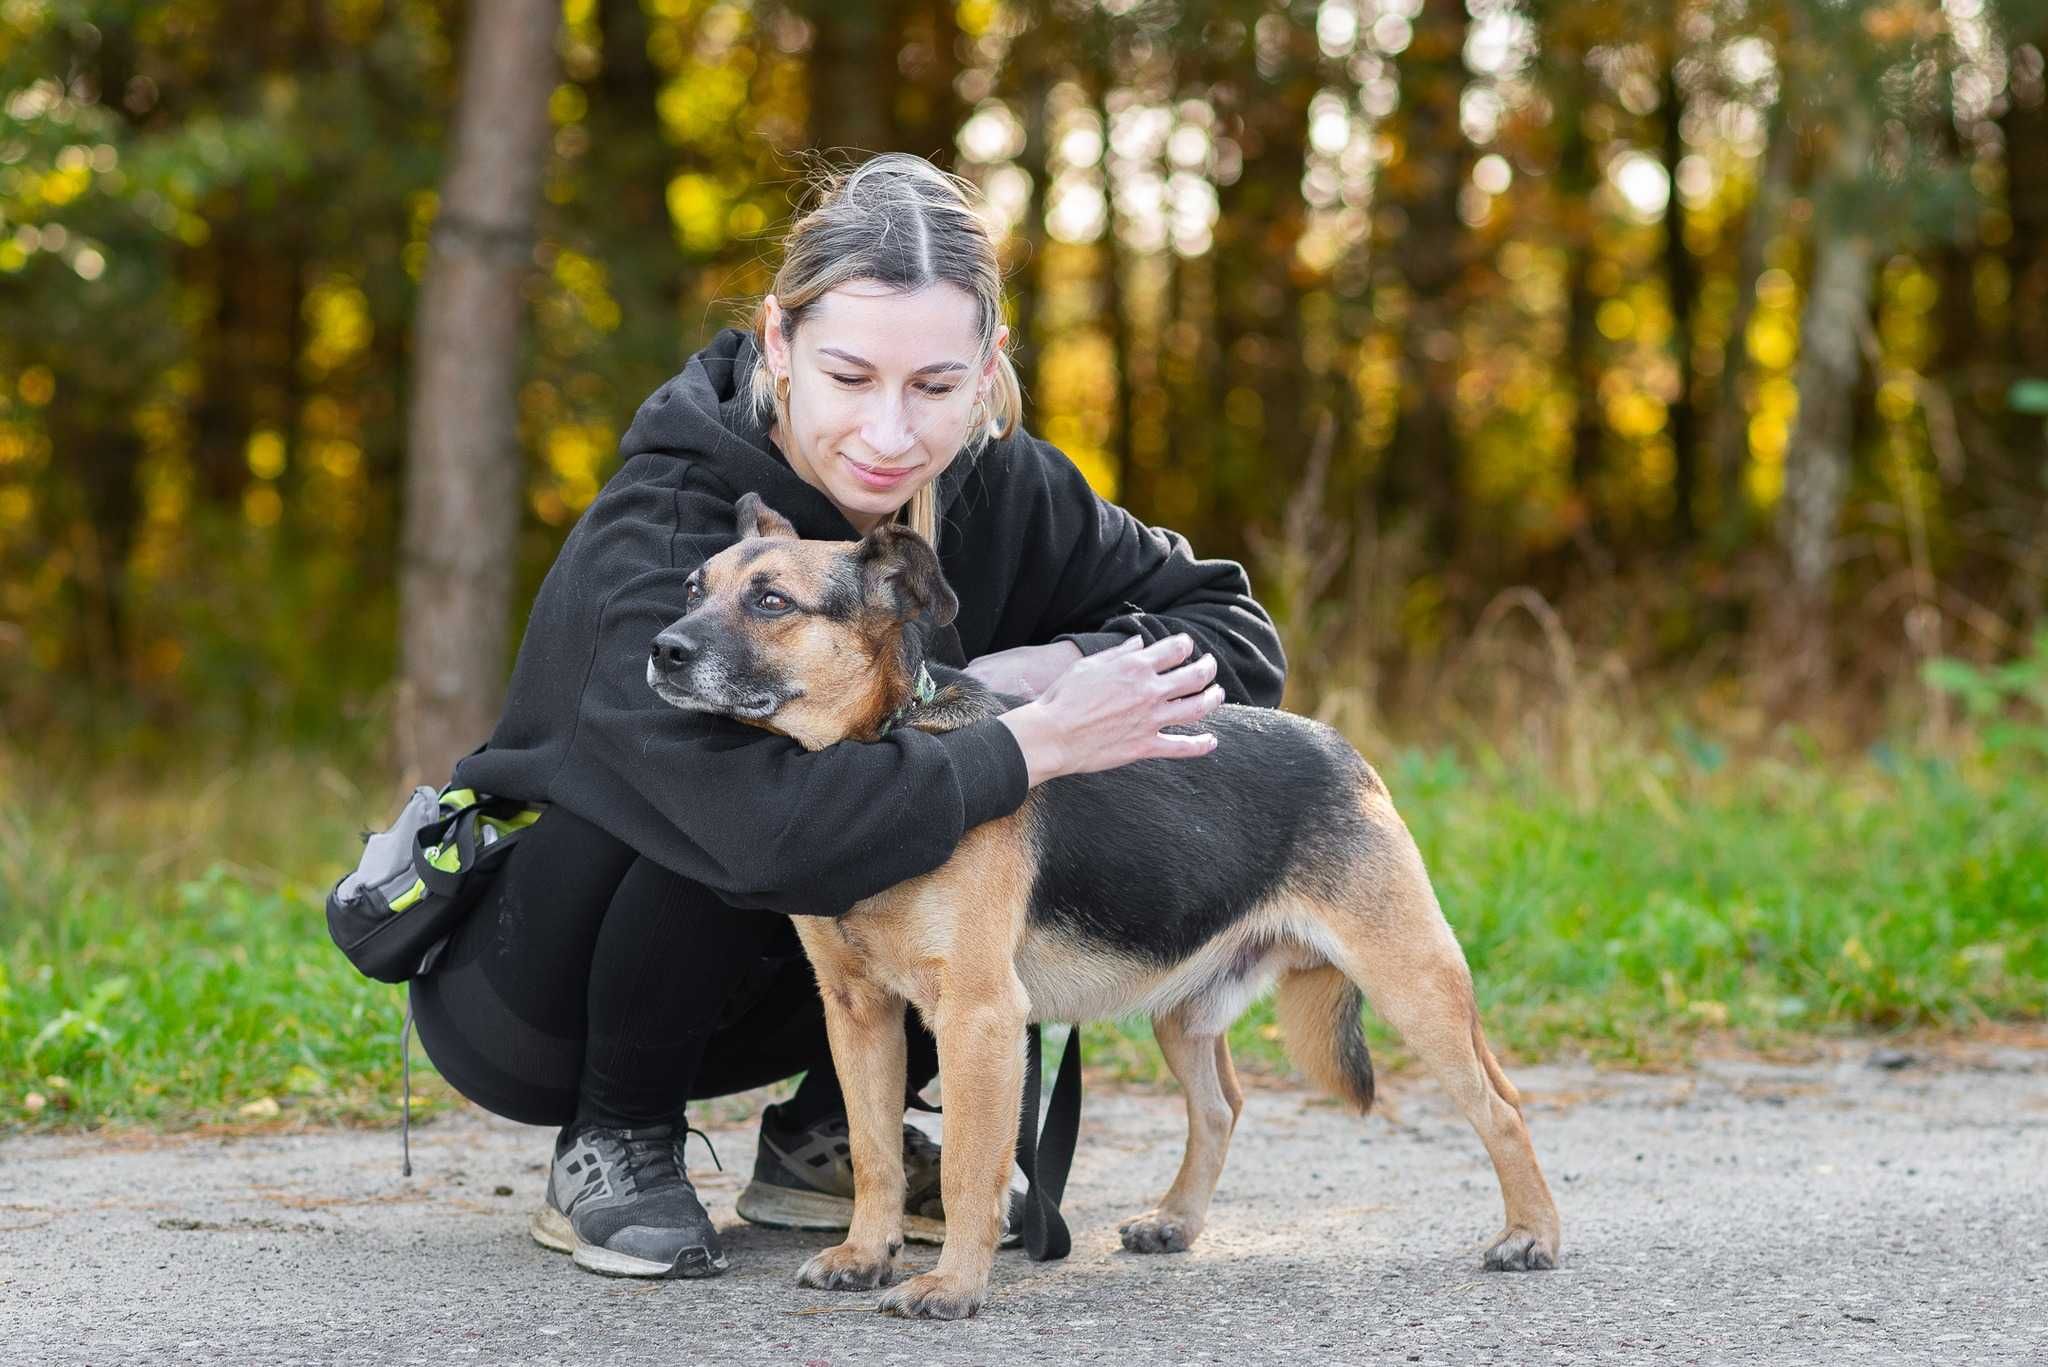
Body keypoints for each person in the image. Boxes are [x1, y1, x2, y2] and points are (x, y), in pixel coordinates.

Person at [407, 153, 1286, 1280]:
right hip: (544, 992)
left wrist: (1053, 669)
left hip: (819, 972)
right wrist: (1032, 739)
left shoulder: (1002, 485)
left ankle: (825, 1141)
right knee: (754, 766)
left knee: (936, 810)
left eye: (932, 384)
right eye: (849, 374)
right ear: (777, 343)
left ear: (985, 369)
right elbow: (762, 832)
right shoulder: (662, 525)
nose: (890, 431)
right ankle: (617, 1136)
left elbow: (1230, 626)